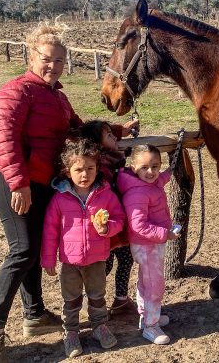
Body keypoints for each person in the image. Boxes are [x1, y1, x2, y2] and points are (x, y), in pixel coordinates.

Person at [0, 21, 138, 363]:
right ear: (32, 56)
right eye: (48, 59)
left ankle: (34, 315)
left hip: (43, 183)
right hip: (13, 183)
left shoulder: (58, 97)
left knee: (31, 249)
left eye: (60, 61)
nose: (53, 66)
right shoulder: (15, 91)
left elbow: (81, 130)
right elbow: (4, 139)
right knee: (24, 249)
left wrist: (118, 130)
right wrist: (18, 182)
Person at [41, 139, 125, 357]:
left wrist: (107, 228)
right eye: (79, 169)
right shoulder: (60, 199)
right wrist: (48, 259)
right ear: (68, 172)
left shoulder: (105, 195)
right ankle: (70, 332)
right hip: (70, 261)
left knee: (97, 296)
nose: (85, 174)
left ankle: (99, 326)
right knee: (71, 299)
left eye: (90, 168)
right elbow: (50, 231)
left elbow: (120, 218)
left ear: (97, 168)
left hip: (97, 259)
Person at [117, 144, 180, 345]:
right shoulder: (137, 194)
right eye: (144, 167)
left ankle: (148, 315)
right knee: (154, 284)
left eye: (156, 166)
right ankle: (151, 326)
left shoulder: (149, 182)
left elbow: (161, 179)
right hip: (147, 244)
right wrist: (166, 234)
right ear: (133, 167)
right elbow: (138, 226)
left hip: (151, 244)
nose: (151, 171)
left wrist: (171, 169)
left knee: (146, 281)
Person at [77, 120, 135, 315]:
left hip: (119, 220)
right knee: (106, 264)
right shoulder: (102, 166)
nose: (115, 138)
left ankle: (121, 299)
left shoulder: (114, 159)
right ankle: (92, 299)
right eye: (109, 136)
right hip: (106, 223)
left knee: (126, 259)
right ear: (99, 145)